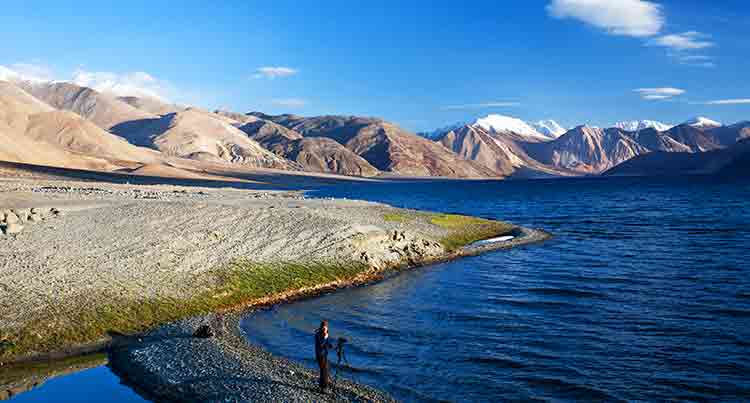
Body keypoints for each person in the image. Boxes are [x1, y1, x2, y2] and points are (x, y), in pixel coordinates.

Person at [314, 320, 334, 392]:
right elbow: (322, 344)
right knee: (324, 370)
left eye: (326, 328)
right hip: (320, 355)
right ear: (322, 327)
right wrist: (325, 336)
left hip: (324, 354)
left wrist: (332, 346)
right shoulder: (318, 334)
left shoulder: (324, 333)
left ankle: (323, 385)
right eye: (324, 328)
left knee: (326, 368)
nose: (325, 329)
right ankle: (324, 387)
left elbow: (327, 344)